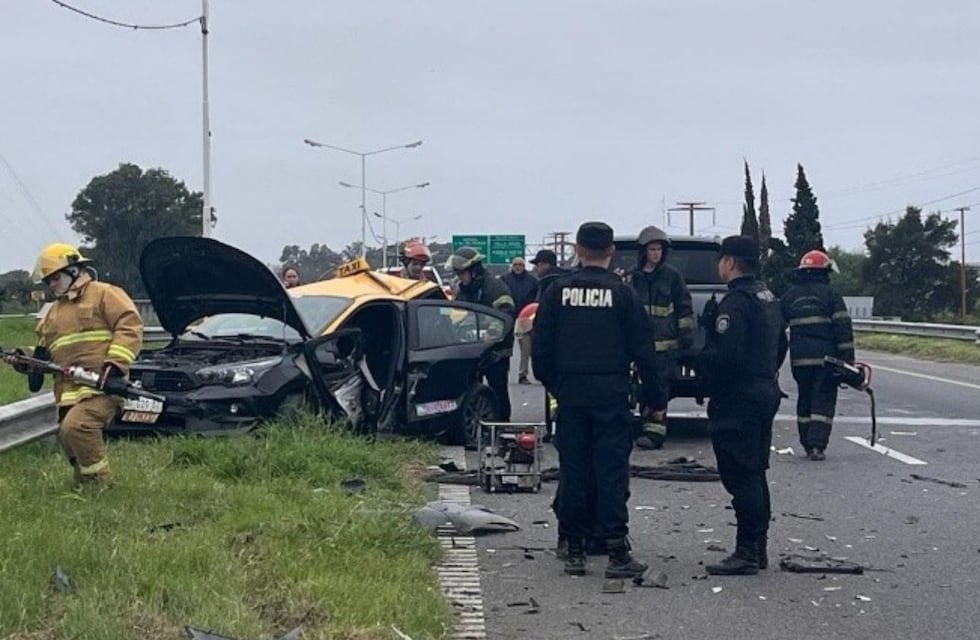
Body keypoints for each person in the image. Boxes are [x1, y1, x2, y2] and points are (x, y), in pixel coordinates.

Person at [532, 221, 662, 578]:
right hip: (611, 395)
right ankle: (616, 550)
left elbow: (541, 351)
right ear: (611, 252)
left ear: (577, 250)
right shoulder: (623, 294)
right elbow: (644, 351)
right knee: (611, 473)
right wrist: (655, 398)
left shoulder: (556, 292)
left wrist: (558, 385)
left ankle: (574, 550)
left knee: (574, 472)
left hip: (571, 396)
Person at [4, 243, 143, 488]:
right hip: (68, 392)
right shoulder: (52, 314)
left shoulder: (104, 293)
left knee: (78, 427)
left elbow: (129, 326)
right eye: (48, 281)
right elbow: (43, 357)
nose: (51, 285)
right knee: (70, 440)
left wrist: (114, 366)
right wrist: (23, 359)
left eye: (55, 278)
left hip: (102, 385)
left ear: (74, 270)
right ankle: (84, 488)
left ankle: (101, 486)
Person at [697, 236, 787, 575]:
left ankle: (747, 551)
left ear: (731, 262)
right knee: (755, 472)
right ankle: (757, 547)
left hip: (738, 398)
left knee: (740, 475)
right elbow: (781, 345)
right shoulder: (767, 297)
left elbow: (728, 356)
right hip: (764, 390)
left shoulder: (736, 302)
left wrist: (703, 359)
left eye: (721, 260)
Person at [781, 250, 855, 461]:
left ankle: (806, 443)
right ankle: (817, 445)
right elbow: (843, 329)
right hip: (826, 361)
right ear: (824, 272)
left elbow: (776, 327)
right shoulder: (832, 295)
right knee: (822, 402)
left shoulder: (790, 296)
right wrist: (848, 361)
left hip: (799, 361)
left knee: (804, 399)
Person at [627, 225, 694, 450]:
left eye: (659, 249)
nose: (656, 253)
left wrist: (685, 334)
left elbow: (684, 306)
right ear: (643, 251)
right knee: (640, 388)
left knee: (659, 388)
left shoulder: (672, 277)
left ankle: (655, 433)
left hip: (664, 347)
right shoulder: (633, 277)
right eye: (652, 249)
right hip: (638, 345)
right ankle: (643, 425)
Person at [446, 246, 515, 421]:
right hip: (473, 350)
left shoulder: (495, 287)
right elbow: (457, 315)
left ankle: (501, 423)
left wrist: (491, 334)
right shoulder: (464, 291)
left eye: (462, 273)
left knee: (497, 388)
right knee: (470, 390)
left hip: (496, 351)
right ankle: (476, 422)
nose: (459, 277)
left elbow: (505, 313)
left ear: (474, 271)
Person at [501, 256, 539, 384]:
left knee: (526, 348)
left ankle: (523, 374)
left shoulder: (532, 281)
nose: (517, 267)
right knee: (505, 348)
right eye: (515, 264)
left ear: (524, 266)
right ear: (512, 266)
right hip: (508, 317)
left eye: (520, 265)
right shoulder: (504, 280)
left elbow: (536, 299)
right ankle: (503, 373)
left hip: (525, 318)